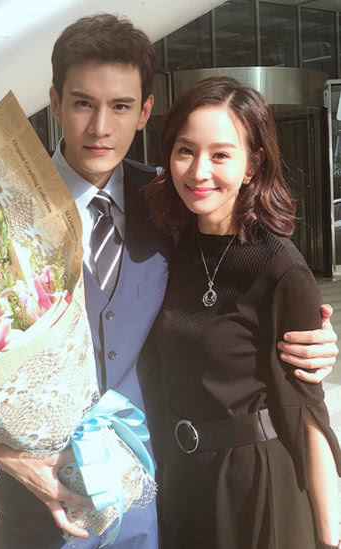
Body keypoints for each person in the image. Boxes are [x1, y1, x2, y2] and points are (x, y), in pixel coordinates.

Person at [0, 15, 339, 549]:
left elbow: (237, 279)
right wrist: (5, 454)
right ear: (54, 103)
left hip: (149, 504)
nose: (101, 127)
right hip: (37, 508)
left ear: (145, 111)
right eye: (83, 103)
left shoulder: (170, 202)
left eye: (121, 106)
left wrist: (310, 337)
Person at [144, 76, 341, 549]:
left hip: (254, 484)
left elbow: (307, 410)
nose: (199, 171)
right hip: (182, 477)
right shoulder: (172, 245)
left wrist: (330, 535)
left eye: (220, 155)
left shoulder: (280, 266)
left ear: (252, 165)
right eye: (186, 151)